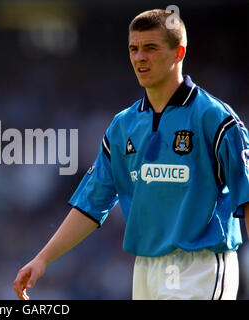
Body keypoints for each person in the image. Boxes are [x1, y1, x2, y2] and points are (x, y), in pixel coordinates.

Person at [13, 9, 249, 300]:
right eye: (133, 49)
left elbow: (247, 195)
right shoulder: (122, 126)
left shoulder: (215, 119)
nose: (139, 57)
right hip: (145, 269)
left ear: (178, 53)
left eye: (150, 48)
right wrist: (43, 259)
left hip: (199, 267)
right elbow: (92, 203)